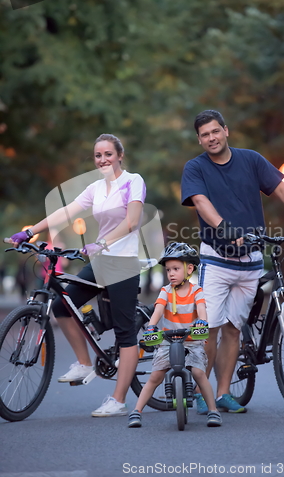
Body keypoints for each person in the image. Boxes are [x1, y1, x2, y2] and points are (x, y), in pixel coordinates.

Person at [181, 109, 284, 415]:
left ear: (226, 130)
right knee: (210, 329)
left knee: (233, 329)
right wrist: (225, 229)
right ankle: (199, 391)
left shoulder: (251, 160)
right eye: (205, 135)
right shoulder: (195, 168)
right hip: (217, 261)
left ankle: (222, 395)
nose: (211, 138)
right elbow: (201, 203)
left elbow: (282, 189)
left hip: (250, 263)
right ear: (199, 139)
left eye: (215, 131)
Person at [8, 133, 146, 417]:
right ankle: (84, 362)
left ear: (120, 155)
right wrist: (31, 231)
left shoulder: (134, 181)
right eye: (98, 155)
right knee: (61, 305)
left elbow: (132, 222)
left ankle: (118, 400)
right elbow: (67, 211)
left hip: (123, 263)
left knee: (125, 332)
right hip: (100, 262)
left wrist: (102, 243)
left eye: (108, 154)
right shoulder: (96, 188)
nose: (103, 159)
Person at [128, 242, 222, 428]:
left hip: (191, 341)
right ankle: (136, 411)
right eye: (168, 269)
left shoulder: (196, 291)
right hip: (168, 341)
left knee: (199, 373)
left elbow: (202, 308)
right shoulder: (165, 291)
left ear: (189, 269)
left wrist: (202, 321)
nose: (171, 273)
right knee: (156, 376)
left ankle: (213, 410)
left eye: (176, 269)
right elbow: (158, 310)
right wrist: (151, 326)